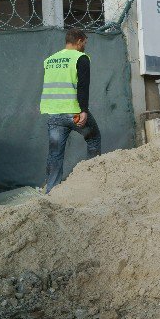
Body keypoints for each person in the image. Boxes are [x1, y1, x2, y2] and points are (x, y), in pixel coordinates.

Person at [40, 28, 101, 194]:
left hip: (54, 113)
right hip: (74, 113)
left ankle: (51, 192)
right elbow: (82, 86)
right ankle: (93, 181)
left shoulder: (50, 60)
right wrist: (84, 110)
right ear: (79, 41)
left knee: (55, 154)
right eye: (85, 43)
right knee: (93, 138)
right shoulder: (80, 58)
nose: (85, 46)